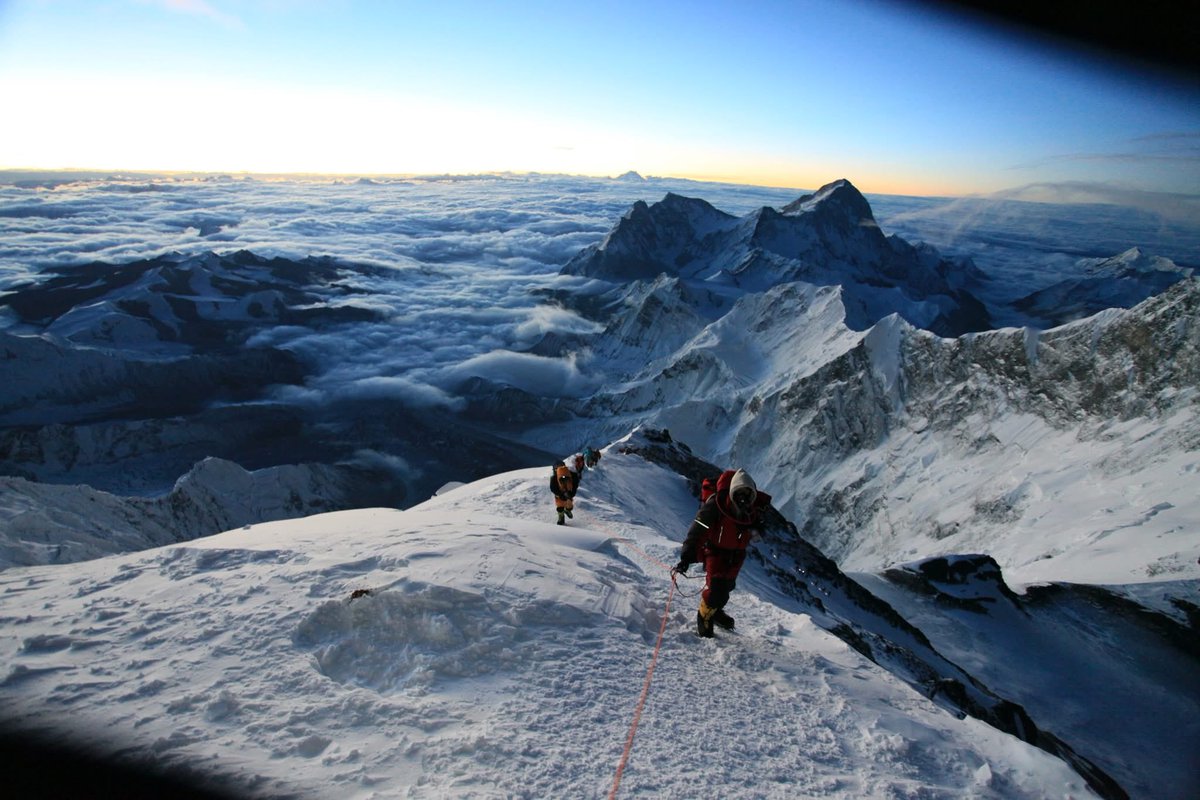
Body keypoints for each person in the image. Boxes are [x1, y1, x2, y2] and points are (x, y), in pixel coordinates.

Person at [674, 468, 771, 637]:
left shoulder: (752, 511)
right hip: (715, 552)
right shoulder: (716, 506)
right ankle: (704, 617)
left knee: (727, 587)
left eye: (747, 495)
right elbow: (698, 531)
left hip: (737, 554)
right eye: (740, 493)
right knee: (716, 589)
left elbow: (757, 527)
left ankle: (715, 610)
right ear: (733, 491)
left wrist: (758, 528)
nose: (743, 498)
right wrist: (687, 556)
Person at [550, 459, 579, 525]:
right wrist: (573, 492)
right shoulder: (571, 474)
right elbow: (575, 483)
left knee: (560, 505)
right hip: (568, 492)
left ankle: (561, 517)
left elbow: (553, 488)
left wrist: (559, 494)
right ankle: (567, 511)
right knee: (568, 502)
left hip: (559, 494)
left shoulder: (554, 477)